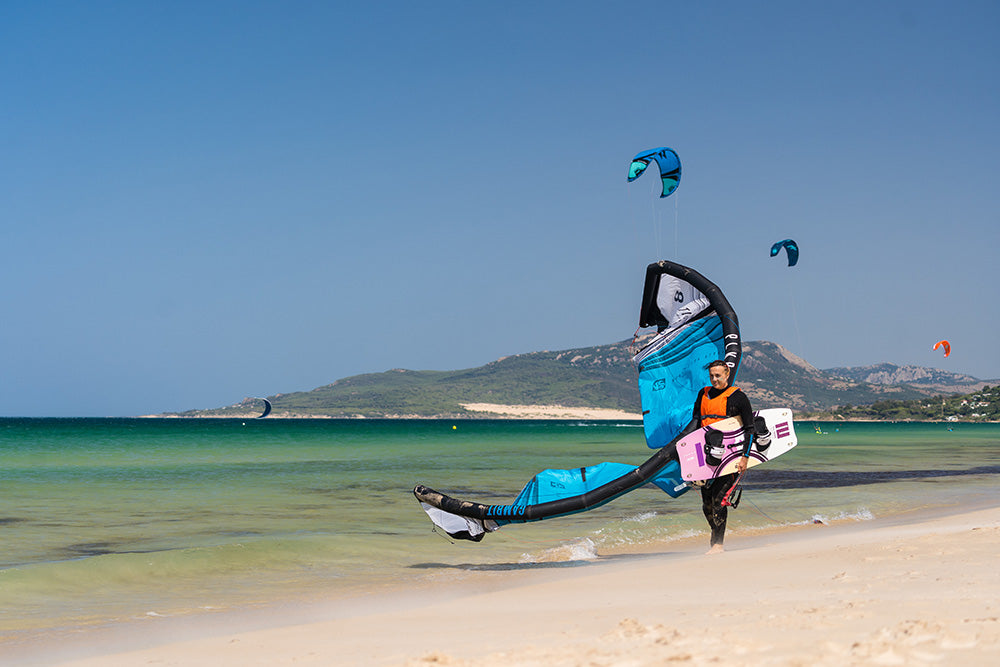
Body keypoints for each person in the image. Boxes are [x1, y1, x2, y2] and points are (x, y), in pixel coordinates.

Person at [691, 360, 755, 555]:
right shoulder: (703, 394)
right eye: (711, 376)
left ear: (727, 374)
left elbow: (750, 429)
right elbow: (695, 424)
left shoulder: (738, 397)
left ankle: (718, 545)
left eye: (718, 375)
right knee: (707, 504)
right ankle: (715, 539)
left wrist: (745, 457)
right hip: (707, 456)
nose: (714, 379)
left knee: (720, 500)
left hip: (731, 457)